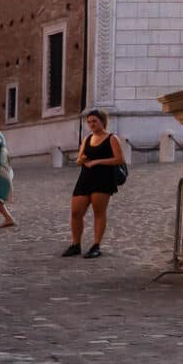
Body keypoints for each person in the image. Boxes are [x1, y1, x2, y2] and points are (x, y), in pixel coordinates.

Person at [64, 108, 127, 259]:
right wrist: (82, 160)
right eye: (89, 122)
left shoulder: (112, 138)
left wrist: (98, 161)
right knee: (75, 212)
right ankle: (75, 244)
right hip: (85, 178)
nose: (91, 124)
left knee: (99, 212)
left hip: (103, 178)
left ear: (102, 122)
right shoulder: (87, 139)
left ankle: (96, 245)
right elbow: (79, 160)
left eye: (95, 121)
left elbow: (120, 159)